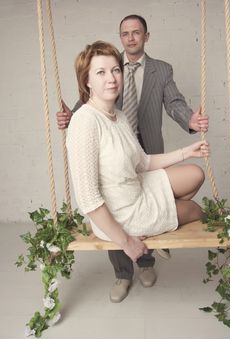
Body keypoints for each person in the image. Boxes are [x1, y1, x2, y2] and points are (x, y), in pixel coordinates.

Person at [57, 14, 209, 303]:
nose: (112, 78)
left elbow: (147, 156)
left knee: (194, 173)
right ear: (87, 80)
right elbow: (90, 200)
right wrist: (127, 241)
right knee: (193, 210)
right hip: (118, 204)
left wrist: (187, 146)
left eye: (114, 71)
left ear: (145, 36)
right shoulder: (86, 121)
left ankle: (154, 240)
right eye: (100, 73)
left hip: (135, 169)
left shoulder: (124, 110)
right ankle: (125, 272)